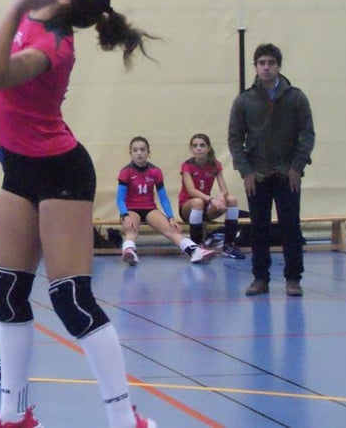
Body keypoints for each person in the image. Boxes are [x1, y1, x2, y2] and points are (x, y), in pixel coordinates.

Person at [0, 0, 191, 428]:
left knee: (70, 297)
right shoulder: (49, 1)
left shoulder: (52, 48)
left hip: (61, 173)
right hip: (19, 170)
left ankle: (124, 418)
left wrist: (13, 6)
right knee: (6, 290)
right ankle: (13, 413)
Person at [228, 43, 315, 298]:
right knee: (259, 228)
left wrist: (297, 166)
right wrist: (246, 171)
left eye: (271, 63)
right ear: (255, 66)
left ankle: (293, 278)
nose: (266, 67)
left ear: (279, 65)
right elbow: (235, 139)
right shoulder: (244, 100)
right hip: (257, 175)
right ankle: (260, 278)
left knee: (291, 227)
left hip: (288, 174)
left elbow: (307, 135)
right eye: (262, 63)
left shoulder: (296, 97)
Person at [116, 136, 216, 265]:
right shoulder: (126, 172)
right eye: (135, 150)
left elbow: (163, 197)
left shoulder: (155, 171)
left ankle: (196, 252)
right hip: (130, 209)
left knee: (171, 230)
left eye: (142, 149)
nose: (139, 153)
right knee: (131, 229)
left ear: (148, 152)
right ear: (131, 153)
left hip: (150, 209)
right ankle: (129, 252)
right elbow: (120, 199)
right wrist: (125, 215)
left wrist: (171, 217)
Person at [178, 133, 245, 259]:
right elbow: (191, 191)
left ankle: (228, 245)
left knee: (232, 199)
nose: (199, 148)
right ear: (191, 149)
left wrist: (221, 196)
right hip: (188, 207)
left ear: (208, 148)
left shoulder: (215, 165)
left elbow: (224, 189)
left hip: (205, 207)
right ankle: (197, 246)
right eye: (195, 146)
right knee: (197, 201)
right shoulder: (187, 165)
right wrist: (212, 199)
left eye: (202, 145)